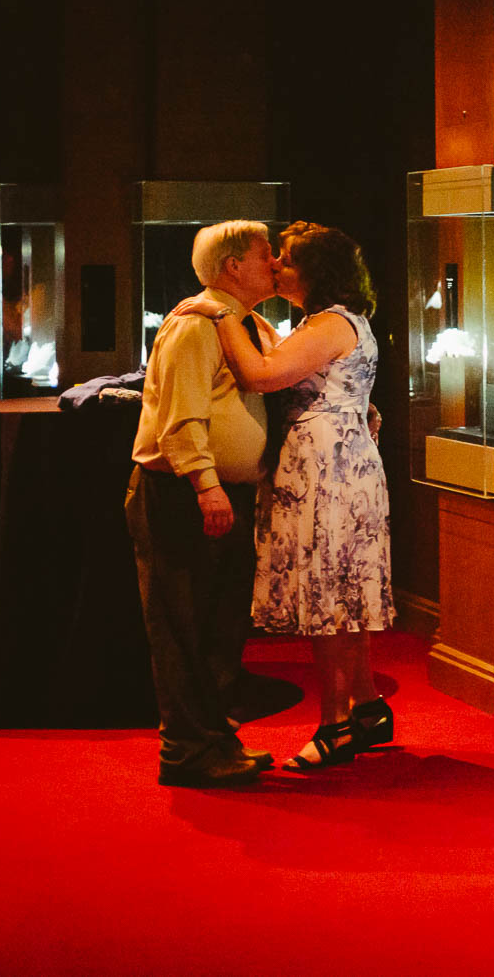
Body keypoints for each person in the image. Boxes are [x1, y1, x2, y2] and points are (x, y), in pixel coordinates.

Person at [176, 221, 396, 770]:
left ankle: (335, 724)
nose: (276, 268)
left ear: (317, 273)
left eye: (288, 262)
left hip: (328, 467)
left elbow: (261, 375)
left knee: (328, 598)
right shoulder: (322, 322)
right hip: (336, 460)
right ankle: (367, 707)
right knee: (342, 594)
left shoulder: (327, 323)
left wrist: (219, 312)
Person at [125, 220, 281, 787]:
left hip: (221, 493)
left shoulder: (245, 321)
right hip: (183, 494)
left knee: (218, 627)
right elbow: (181, 417)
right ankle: (187, 752)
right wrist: (205, 484)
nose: (277, 263)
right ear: (233, 266)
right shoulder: (195, 325)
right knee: (182, 626)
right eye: (267, 254)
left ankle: (215, 739)